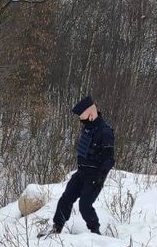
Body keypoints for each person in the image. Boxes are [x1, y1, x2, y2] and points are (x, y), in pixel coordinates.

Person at [41, 95, 116, 237]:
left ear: (91, 115)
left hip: (94, 176)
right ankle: (57, 227)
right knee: (65, 199)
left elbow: (109, 159)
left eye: (83, 118)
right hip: (81, 172)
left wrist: (100, 177)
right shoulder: (88, 128)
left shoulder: (105, 131)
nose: (81, 122)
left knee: (85, 205)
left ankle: (95, 232)